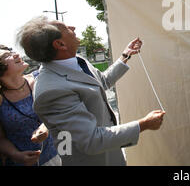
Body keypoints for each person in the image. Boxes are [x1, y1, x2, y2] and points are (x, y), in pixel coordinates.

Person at [17, 16, 165, 166]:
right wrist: (144, 124)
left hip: (110, 154)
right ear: (60, 44)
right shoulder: (51, 90)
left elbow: (102, 82)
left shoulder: (77, 61)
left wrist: (125, 56)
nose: (73, 27)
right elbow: (91, 140)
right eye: (67, 28)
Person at [0, 46, 61, 166]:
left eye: (12, 52)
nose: (16, 54)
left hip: (55, 158)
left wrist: (46, 127)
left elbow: (59, 110)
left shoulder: (39, 79)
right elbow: (0, 139)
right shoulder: (1, 99)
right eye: (7, 56)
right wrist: (16, 155)